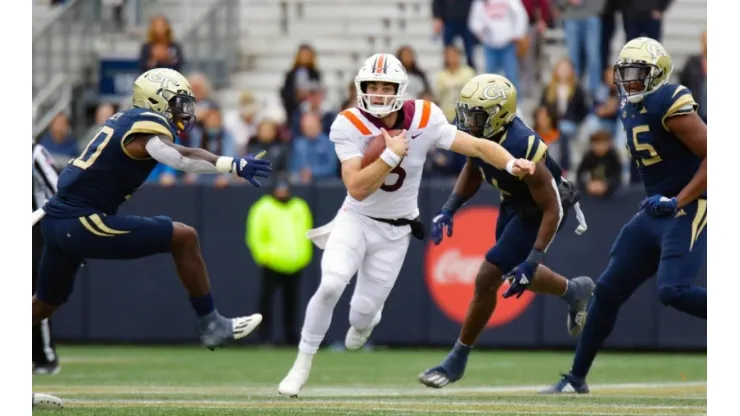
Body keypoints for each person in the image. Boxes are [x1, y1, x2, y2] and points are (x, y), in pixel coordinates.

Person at [277, 53, 537, 397]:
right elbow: (356, 186)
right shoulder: (348, 123)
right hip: (355, 218)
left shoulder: (425, 117)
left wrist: (511, 161)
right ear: (361, 88)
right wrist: (389, 154)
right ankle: (301, 365)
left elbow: (474, 145)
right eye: (373, 86)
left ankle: (368, 319)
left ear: (401, 89)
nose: (380, 94)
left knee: (361, 318)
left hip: (395, 231)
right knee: (330, 285)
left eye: (387, 86)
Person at [33, 68, 273, 352]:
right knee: (185, 237)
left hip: (61, 220)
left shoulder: (125, 120)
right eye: (177, 102)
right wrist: (231, 164)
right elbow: (176, 156)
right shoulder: (146, 123)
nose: (182, 110)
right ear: (155, 100)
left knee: (44, 305)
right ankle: (212, 324)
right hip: (80, 220)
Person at [543, 37, 707, 394]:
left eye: (636, 73)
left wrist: (678, 201)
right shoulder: (629, 106)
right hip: (653, 210)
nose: (628, 80)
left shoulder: (669, 100)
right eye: (624, 72)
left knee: (673, 290)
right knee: (608, 291)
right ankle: (575, 379)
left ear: (657, 74)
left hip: (690, 206)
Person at [417, 74, 593, 389]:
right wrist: (449, 208)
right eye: (466, 112)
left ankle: (457, 359)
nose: (468, 121)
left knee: (488, 276)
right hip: (513, 203)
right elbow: (474, 166)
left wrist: (535, 258)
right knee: (511, 269)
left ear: (499, 114)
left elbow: (552, 208)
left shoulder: (522, 145)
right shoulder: (481, 133)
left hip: (543, 208)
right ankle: (574, 291)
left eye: (477, 115)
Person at [32, 141, 61, 375]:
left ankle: (44, 356)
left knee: (34, 294)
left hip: (35, 230)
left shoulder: (35, 152)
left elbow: (58, 190)